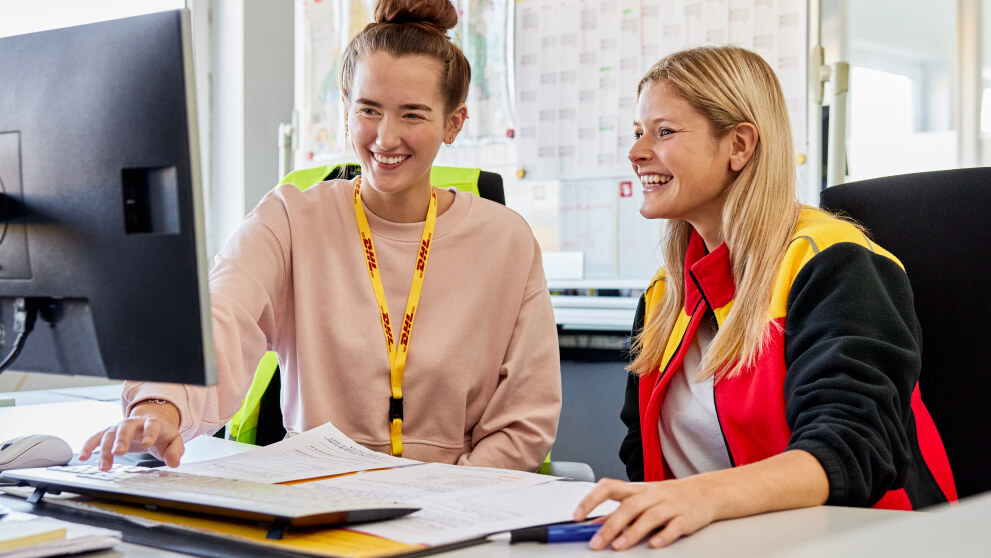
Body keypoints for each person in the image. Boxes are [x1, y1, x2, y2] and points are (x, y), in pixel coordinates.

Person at [81, 0, 561, 473]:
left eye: (412, 115)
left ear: (452, 123)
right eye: (369, 110)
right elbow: (220, 317)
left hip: (464, 501)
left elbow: (526, 415)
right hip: (316, 492)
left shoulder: (507, 240)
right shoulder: (289, 219)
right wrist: (159, 407)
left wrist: (452, 498)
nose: (385, 137)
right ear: (345, 108)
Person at [573, 45, 956, 550]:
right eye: (637, 132)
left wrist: (701, 498)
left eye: (663, 131)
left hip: (861, 543)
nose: (637, 152)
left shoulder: (834, 263)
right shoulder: (665, 296)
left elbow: (854, 449)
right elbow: (642, 456)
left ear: (739, 145)